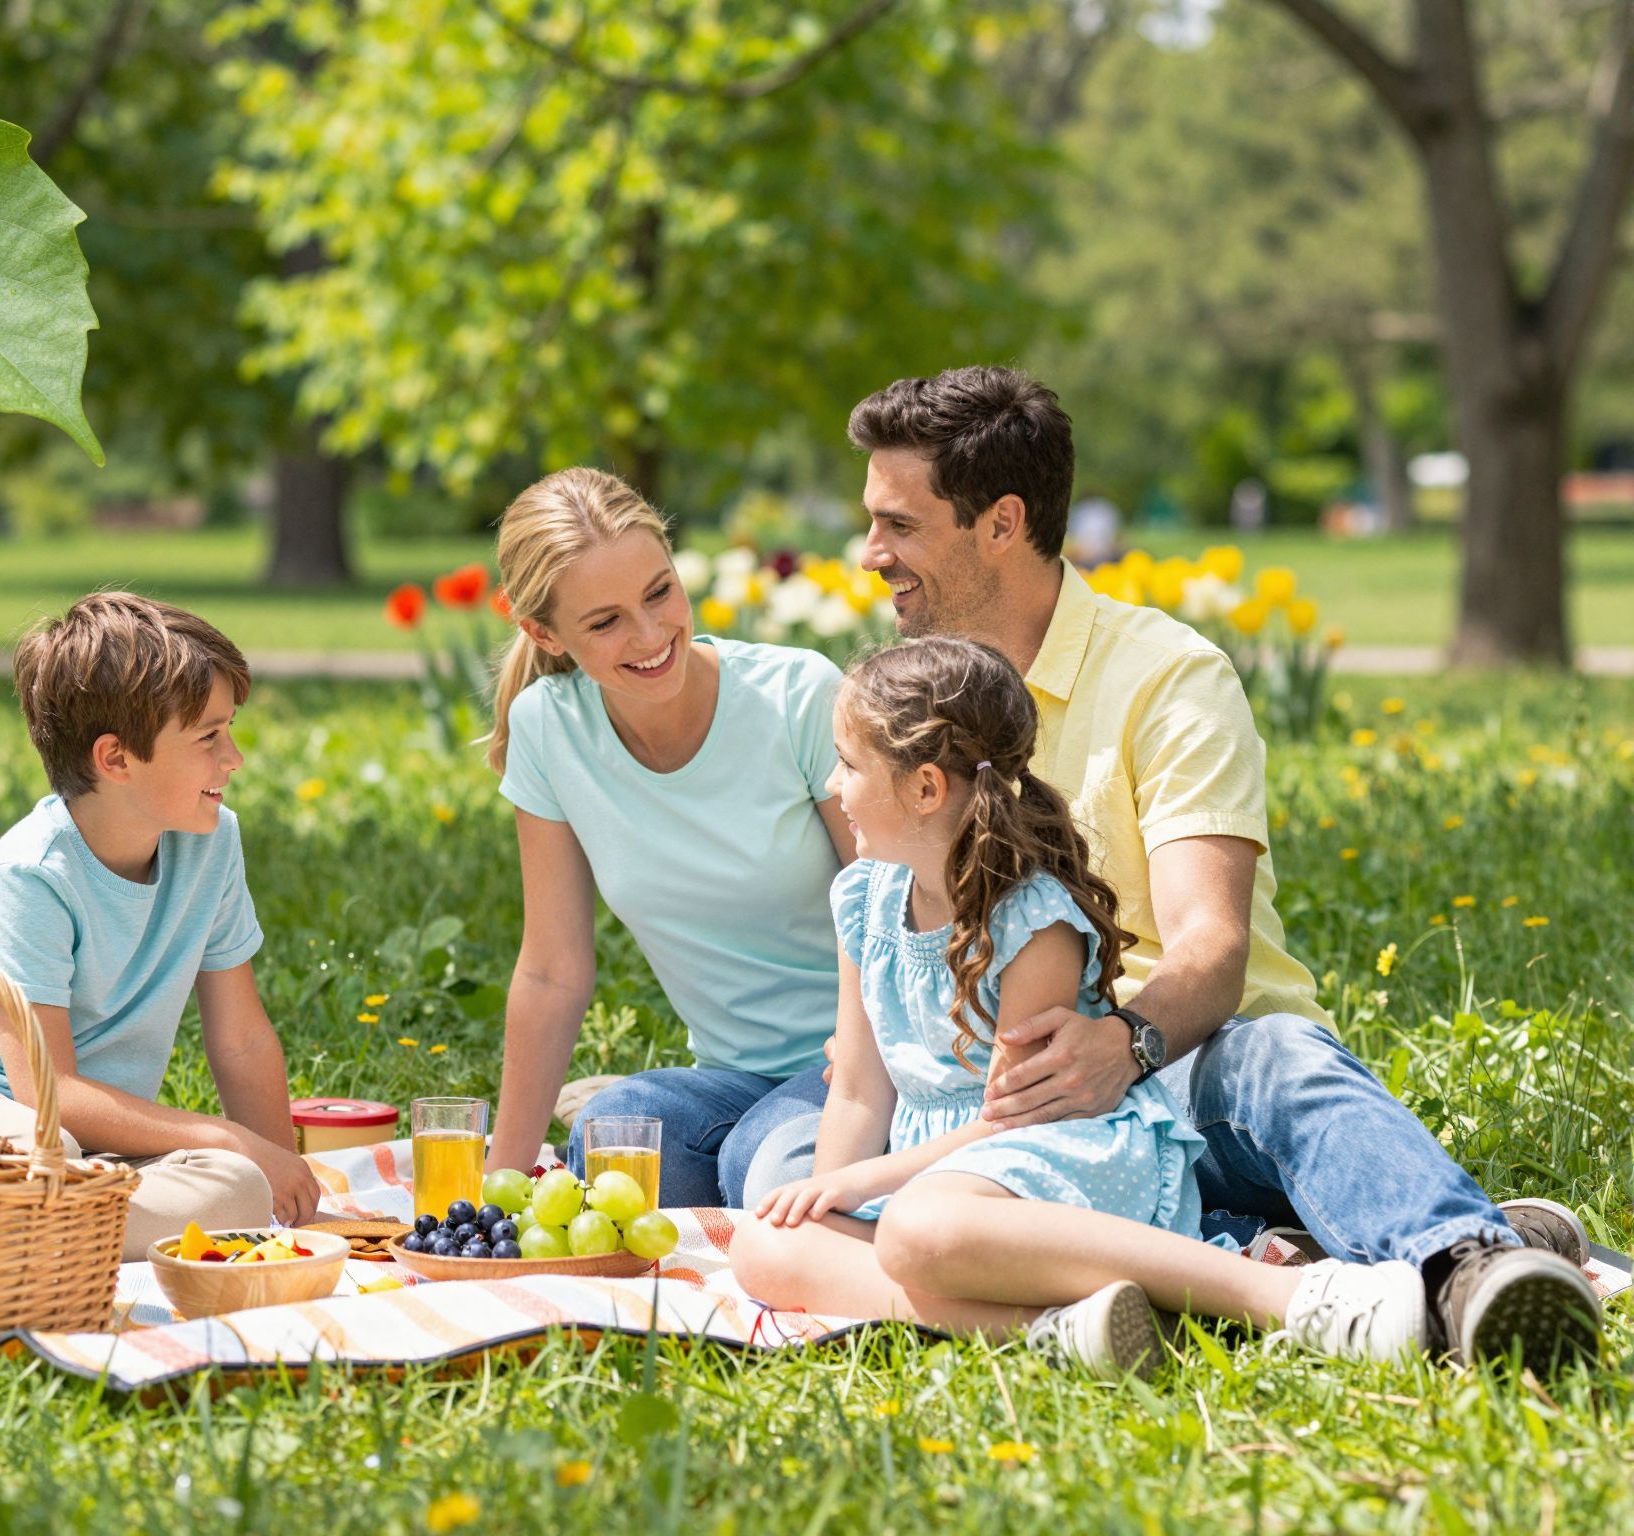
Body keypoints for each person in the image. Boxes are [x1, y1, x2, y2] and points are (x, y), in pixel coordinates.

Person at [744, 366, 1601, 1370]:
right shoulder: (909, 707)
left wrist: (1126, 1044)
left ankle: (1467, 1271)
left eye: (897, 525)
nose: (869, 554)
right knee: (766, 1167)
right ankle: (1218, 1275)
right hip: (991, 1117)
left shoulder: (1164, 677)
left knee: (1279, 1059)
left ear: (999, 522)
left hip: (1187, 1067)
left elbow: (1211, 944)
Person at [731, 637, 1428, 1375]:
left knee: (917, 1229)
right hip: (933, 1181)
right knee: (764, 1245)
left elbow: (1009, 1116)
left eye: (849, 763)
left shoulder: (1030, 921)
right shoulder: (864, 899)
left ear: (926, 788)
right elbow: (860, 1089)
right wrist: (825, 1199)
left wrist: (868, 1183)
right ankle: (1056, 1330)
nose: (835, 787)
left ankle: (1294, 1298)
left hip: (1052, 1155)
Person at [0, 592, 322, 1256]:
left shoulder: (212, 842)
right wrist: (222, 1135)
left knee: (238, 1189)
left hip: (94, 1144)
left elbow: (243, 1039)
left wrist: (279, 1179)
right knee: (43, 1156)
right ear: (115, 760)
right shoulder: (28, 879)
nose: (234, 758)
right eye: (208, 737)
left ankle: (31, 1231)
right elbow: (52, 1095)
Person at [482, 467, 855, 1203]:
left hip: (868, 1059)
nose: (651, 635)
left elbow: (893, 909)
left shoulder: (798, 697)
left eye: (660, 592)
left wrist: (864, 1081)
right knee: (608, 1142)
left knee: (762, 1169)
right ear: (544, 634)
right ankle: (759, 1153)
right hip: (733, 1078)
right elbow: (553, 969)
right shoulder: (549, 731)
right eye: (605, 621)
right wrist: (501, 1179)